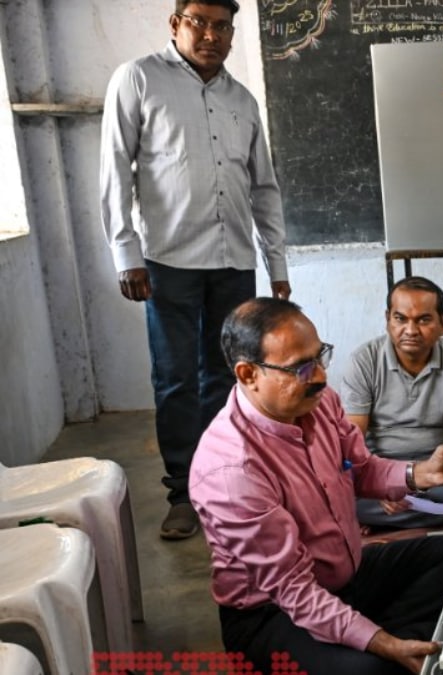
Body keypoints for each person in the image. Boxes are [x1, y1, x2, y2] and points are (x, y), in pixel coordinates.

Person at [99, 0, 289, 540]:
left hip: (233, 261)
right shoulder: (138, 80)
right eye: (199, 22)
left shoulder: (242, 100)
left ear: (232, 33)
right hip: (168, 262)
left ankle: (222, 480)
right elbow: (114, 167)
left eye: (222, 26)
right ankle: (183, 492)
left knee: (231, 377)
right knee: (175, 379)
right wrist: (126, 254)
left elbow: (264, 188)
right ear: (176, 24)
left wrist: (276, 264)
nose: (210, 34)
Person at [190, 297, 443, 674]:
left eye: (319, 357)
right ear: (249, 374)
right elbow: (294, 591)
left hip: (345, 575)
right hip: (273, 612)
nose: (319, 376)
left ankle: (382, 647)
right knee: (371, 670)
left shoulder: (319, 403)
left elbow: (361, 469)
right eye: (300, 367)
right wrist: (384, 644)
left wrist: (421, 474)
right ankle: (382, 650)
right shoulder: (232, 469)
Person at [342, 276, 443, 531]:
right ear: (387, 319)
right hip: (381, 474)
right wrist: (379, 486)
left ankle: (387, 522)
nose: (410, 330)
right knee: (337, 497)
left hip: (438, 475)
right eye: (400, 319)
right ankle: (436, 520)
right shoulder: (364, 361)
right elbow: (352, 442)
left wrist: (428, 477)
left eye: (423, 320)